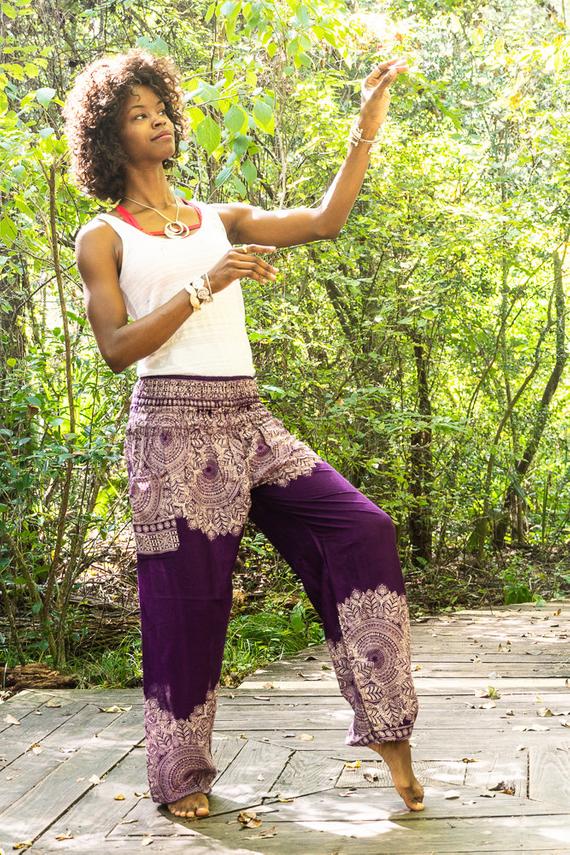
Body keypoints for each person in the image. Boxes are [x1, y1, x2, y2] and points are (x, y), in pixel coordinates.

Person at [63, 47, 424, 820]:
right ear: (108, 138)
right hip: (171, 432)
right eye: (137, 114)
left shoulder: (218, 218)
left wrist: (364, 127)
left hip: (250, 420)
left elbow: (325, 221)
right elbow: (116, 348)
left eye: (160, 107)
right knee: (187, 605)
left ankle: (390, 729)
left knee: (362, 528)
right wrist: (204, 284)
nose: (157, 120)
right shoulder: (104, 236)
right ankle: (181, 776)